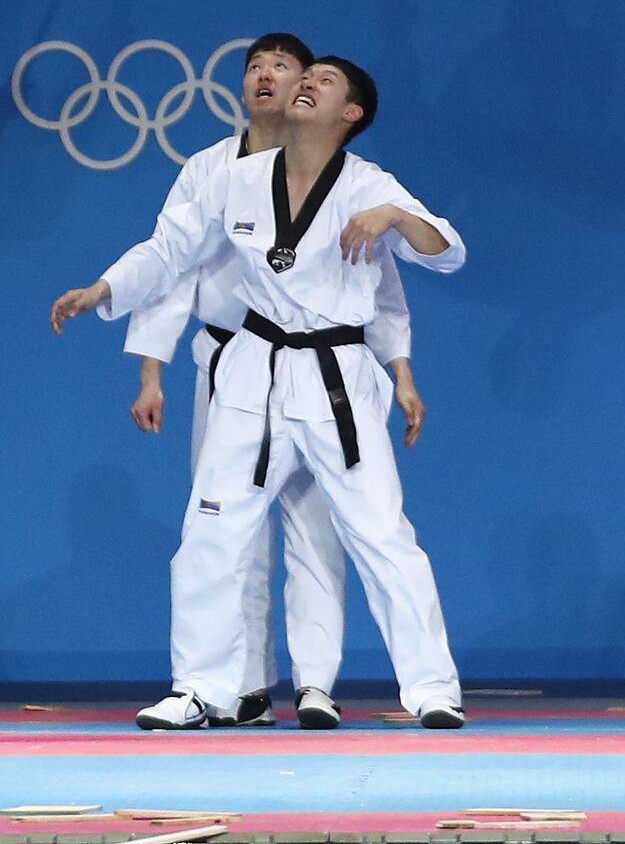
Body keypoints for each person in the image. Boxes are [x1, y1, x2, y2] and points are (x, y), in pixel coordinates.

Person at [52, 56, 466, 730]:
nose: (307, 82)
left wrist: (393, 215)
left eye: (325, 80)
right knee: (211, 530)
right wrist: (104, 289)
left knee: (383, 535)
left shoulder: (369, 185)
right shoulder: (235, 179)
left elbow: (447, 249)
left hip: (337, 377)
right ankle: (199, 686)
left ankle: (432, 688)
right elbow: (167, 249)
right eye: (309, 75)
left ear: (351, 113)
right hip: (254, 368)